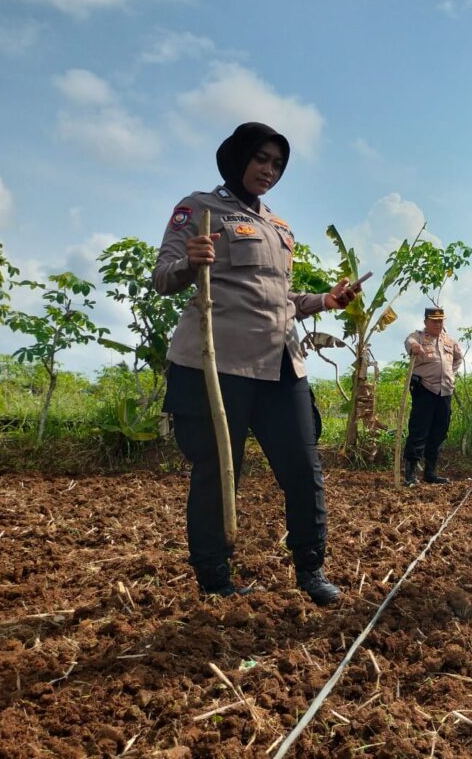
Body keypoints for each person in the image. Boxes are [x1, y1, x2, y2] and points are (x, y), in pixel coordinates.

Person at [153, 122, 360, 604]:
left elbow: (281, 297)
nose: (269, 170)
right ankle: (215, 579)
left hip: (281, 364)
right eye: (262, 159)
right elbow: (164, 277)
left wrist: (325, 300)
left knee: (304, 470)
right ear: (238, 157)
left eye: (278, 165)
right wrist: (191, 262)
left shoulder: (279, 226)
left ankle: (311, 570)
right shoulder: (200, 209)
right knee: (218, 472)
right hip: (217, 364)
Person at [402, 306, 464, 487]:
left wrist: (450, 374)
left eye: (440, 321)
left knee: (439, 432)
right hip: (425, 390)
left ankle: (430, 473)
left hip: (445, 392)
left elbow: (458, 358)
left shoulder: (450, 341)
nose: (438, 324)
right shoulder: (418, 337)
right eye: (434, 321)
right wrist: (414, 347)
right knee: (419, 431)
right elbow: (409, 341)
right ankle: (410, 474)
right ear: (426, 322)